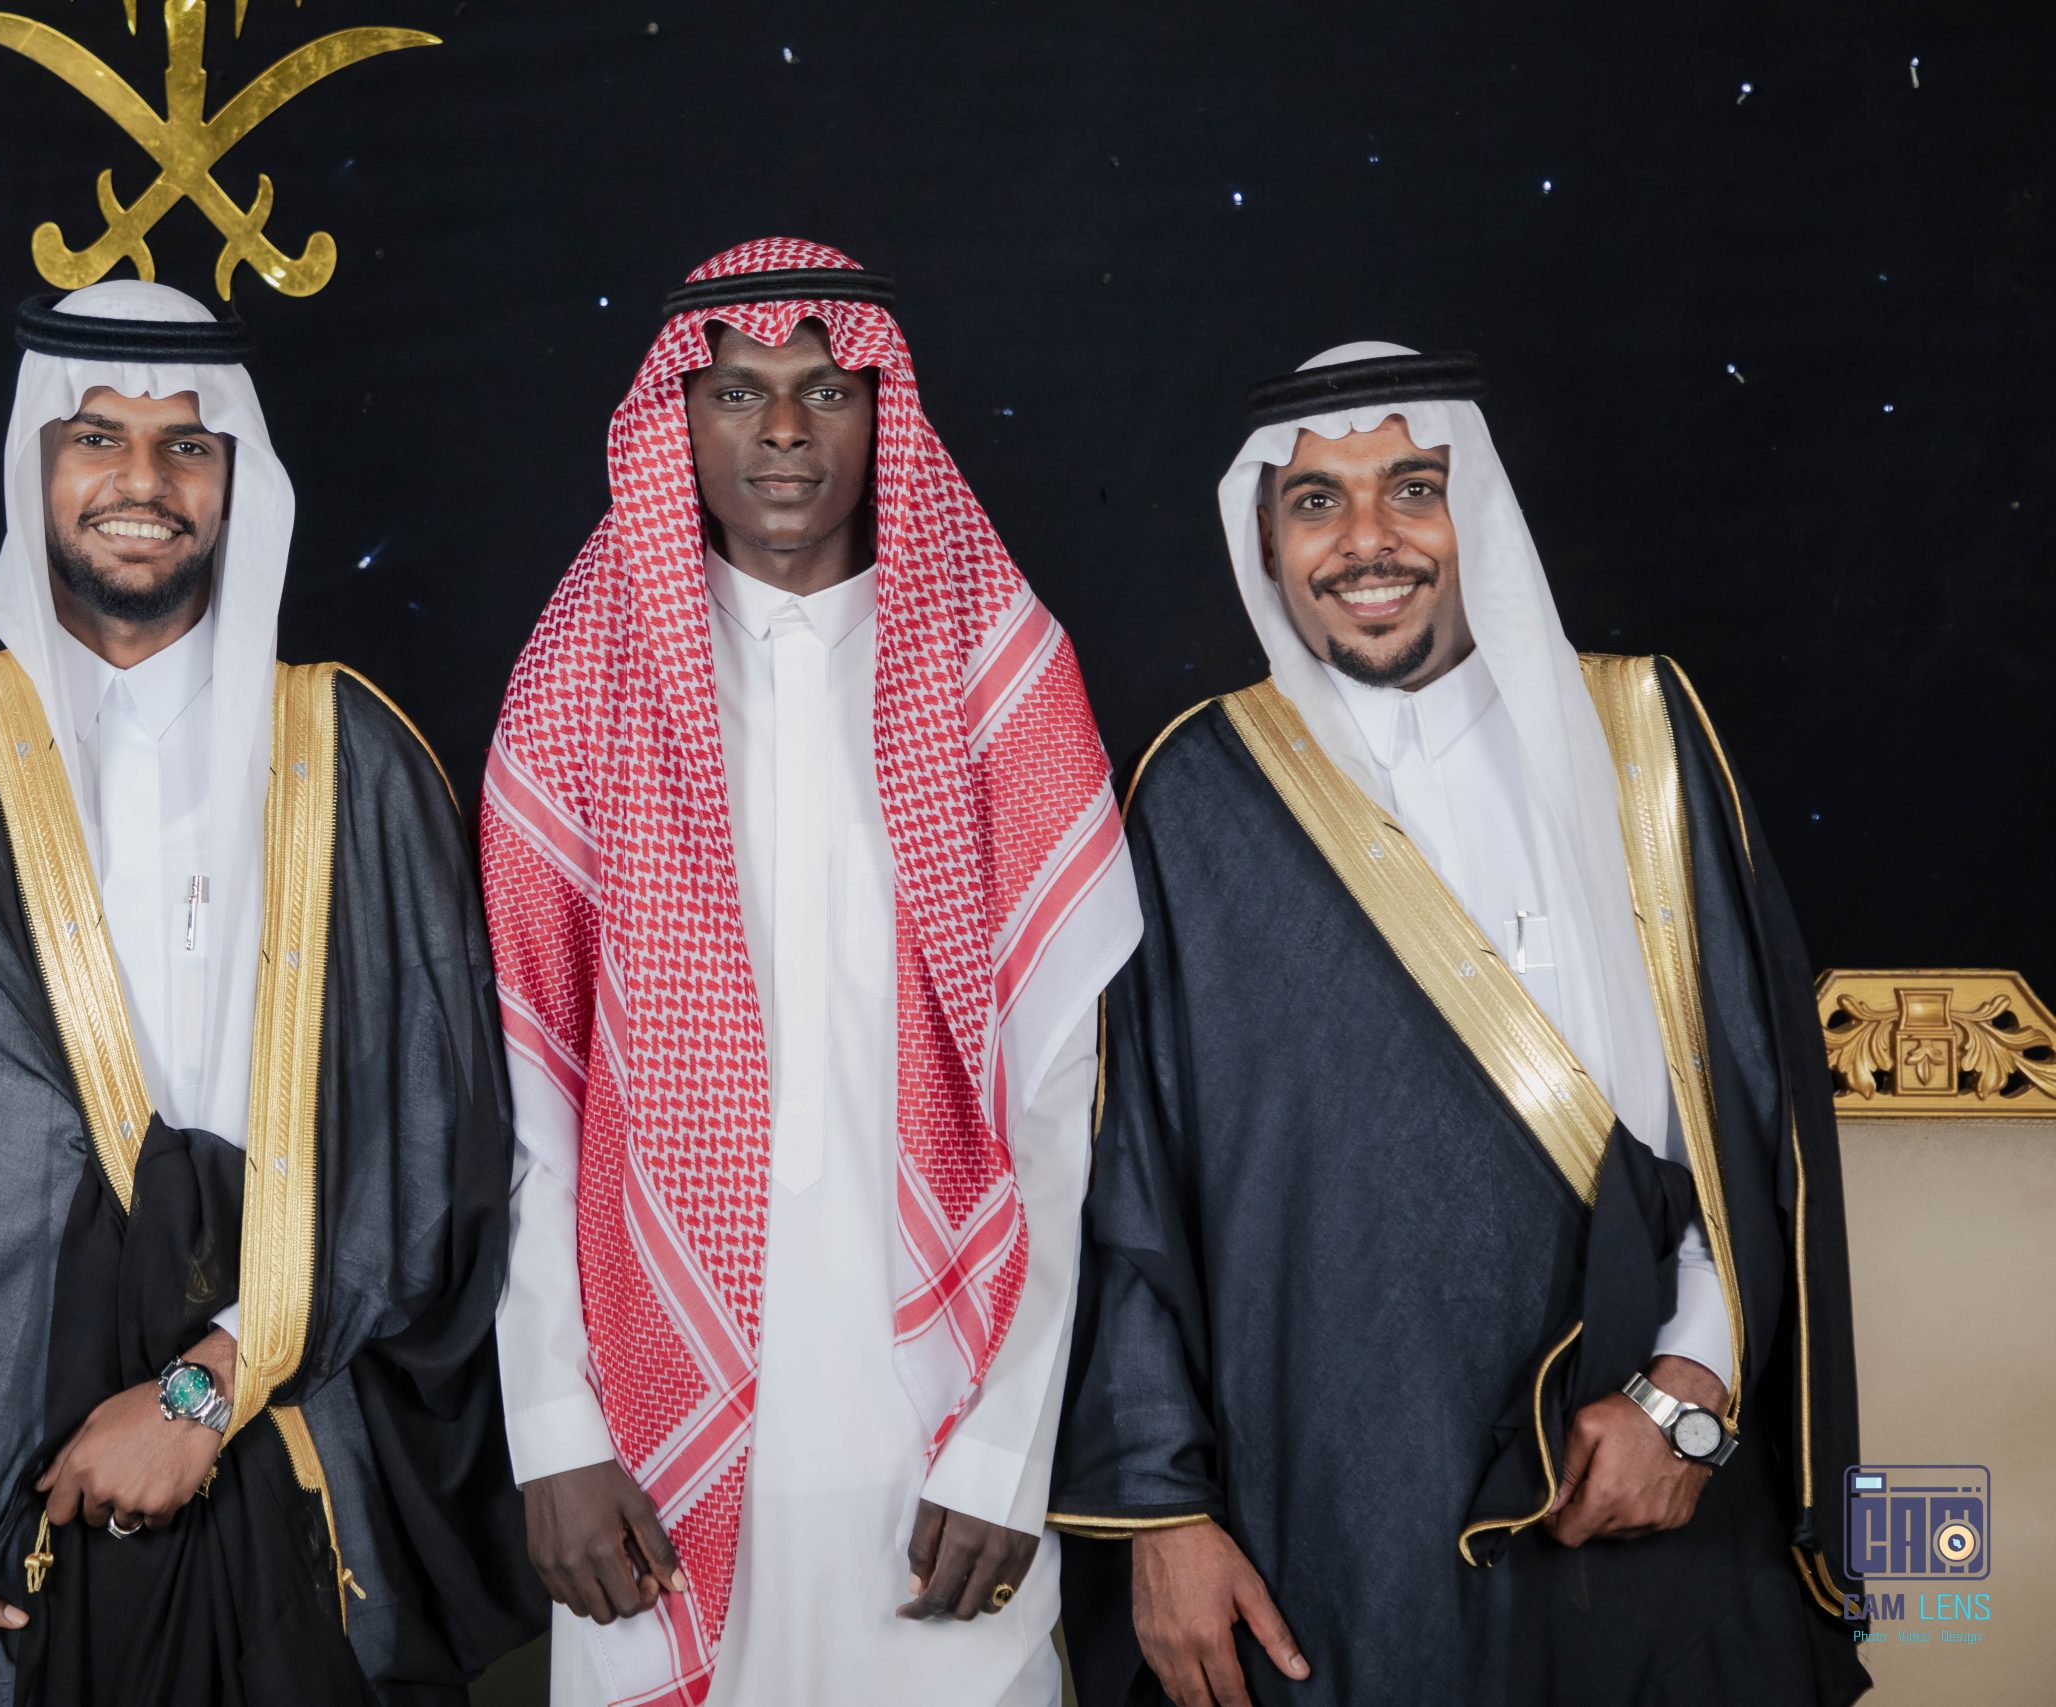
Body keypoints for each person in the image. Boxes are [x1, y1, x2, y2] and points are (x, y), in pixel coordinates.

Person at [0, 281, 538, 1707]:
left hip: (292, 1455)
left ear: (239, 479)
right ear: (34, 463)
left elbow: (436, 1155)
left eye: (187, 445)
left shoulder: (358, 762)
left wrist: (202, 1390)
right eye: (96, 437)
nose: (142, 481)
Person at [1051, 344, 1869, 1707]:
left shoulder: (1641, 737)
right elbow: (1132, 1190)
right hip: (1322, 1519)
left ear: (1472, 506)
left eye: (1411, 489)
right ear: (1266, 538)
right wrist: (1162, 1511)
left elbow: (1748, 1107)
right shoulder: (1195, 794)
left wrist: (1694, 1391)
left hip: (1631, 1479)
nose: (1367, 541)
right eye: (1317, 502)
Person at [479, 238, 1142, 1706]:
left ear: (883, 411)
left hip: (935, 1432)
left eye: (826, 391)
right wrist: (552, 1426)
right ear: (678, 419)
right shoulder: (585, 677)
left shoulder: (1001, 678)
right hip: (642, 1439)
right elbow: (531, 1095)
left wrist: (1007, 1445)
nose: (783, 429)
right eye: (737, 392)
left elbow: (1059, 1114)